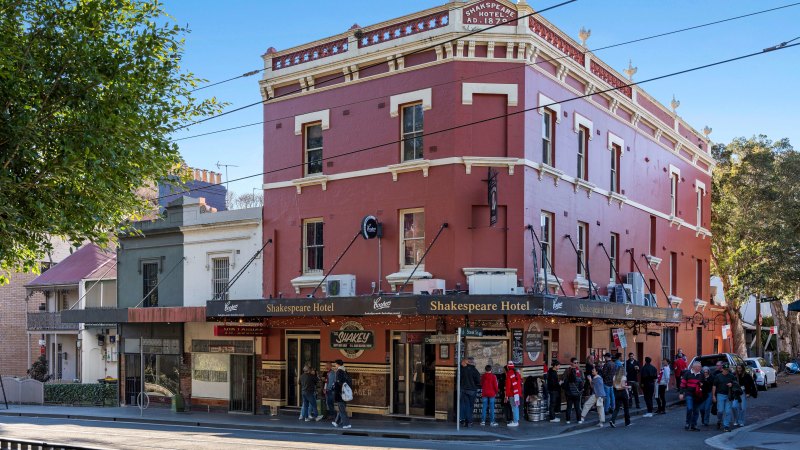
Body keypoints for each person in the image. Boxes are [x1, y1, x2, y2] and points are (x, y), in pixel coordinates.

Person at [712, 363, 739, 432]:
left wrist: (732, 384)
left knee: (728, 411)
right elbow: (714, 386)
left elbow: (736, 384)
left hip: (728, 396)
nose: (726, 371)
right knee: (720, 411)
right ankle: (719, 420)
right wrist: (713, 396)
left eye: (727, 370)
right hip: (720, 395)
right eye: (725, 370)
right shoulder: (718, 376)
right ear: (722, 369)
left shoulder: (731, 376)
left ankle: (726, 426)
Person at [679, 361, 704, 431]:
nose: (701, 368)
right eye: (699, 366)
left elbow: (704, 384)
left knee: (696, 410)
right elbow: (683, 384)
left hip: (697, 395)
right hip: (689, 394)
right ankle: (687, 422)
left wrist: (702, 385)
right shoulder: (687, 373)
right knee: (690, 408)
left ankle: (694, 424)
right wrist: (681, 393)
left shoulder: (701, 374)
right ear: (694, 367)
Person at [459, 356, 481, 428]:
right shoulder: (473, 369)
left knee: (466, 406)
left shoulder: (461, 369)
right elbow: (478, 379)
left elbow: (458, 378)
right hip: (472, 390)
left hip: (464, 389)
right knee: (470, 406)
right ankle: (469, 421)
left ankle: (466, 420)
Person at [332, 359, 352, 429]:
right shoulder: (345, 371)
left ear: (337, 364)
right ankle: (336, 422)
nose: (335, 365)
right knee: (341, 408)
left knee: (342, 410)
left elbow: (338, 383)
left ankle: (347, 424)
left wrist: (335, 385)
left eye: (335, 364)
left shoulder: (338, 372)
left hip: (340, 393)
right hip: (345, 393)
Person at [563, 357, 583, 424]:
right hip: (576, 392)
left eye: (577, 363)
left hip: (569, 392)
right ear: (571, 363)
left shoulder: (580, 370)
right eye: (575, 363)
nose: (576, 364)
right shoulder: (568, 370)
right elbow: (581, 382)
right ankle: (579, 420)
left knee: (569, 406)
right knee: (576, 406)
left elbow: (565, 382)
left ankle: (568, 420)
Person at [504, 361, 522, 427]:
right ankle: (516, 420)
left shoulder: (509, 373)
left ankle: (515, 422)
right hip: (517, 393)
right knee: (516, 407)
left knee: (514, 408)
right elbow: (520, 383)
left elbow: (508, 385)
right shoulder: (517, 373)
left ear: (508, 367)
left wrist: (506, 395)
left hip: (512, 394)